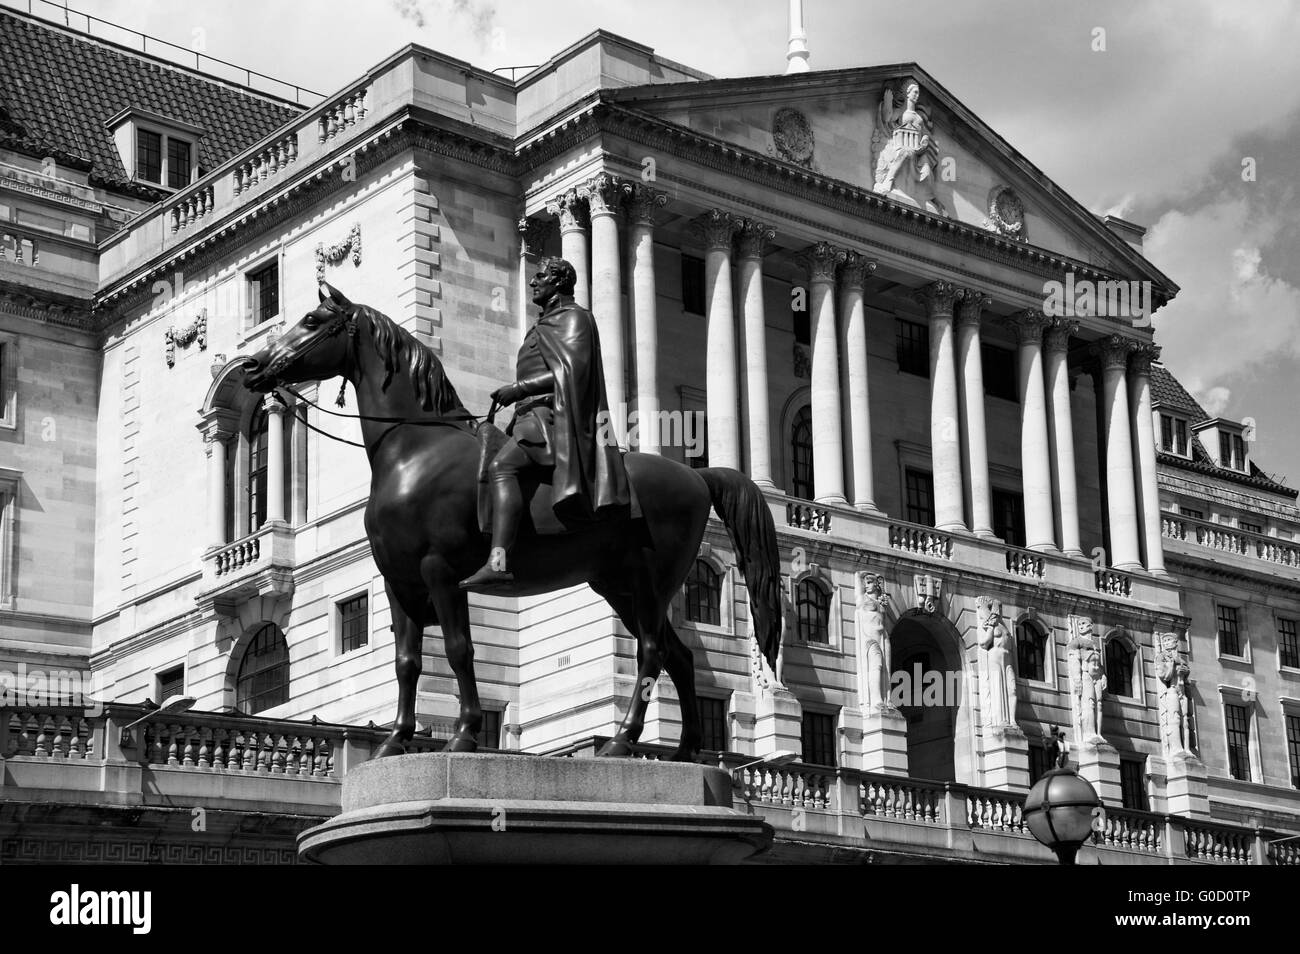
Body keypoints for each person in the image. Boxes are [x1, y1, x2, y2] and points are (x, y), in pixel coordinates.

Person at [459, 257, 629, 591]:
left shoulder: (575, 318)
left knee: (502, 468)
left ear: (560, 281)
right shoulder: (543, 325)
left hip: (552, 419)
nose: (534, 282)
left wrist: (517, 389)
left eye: (541, 276)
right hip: (528, 417)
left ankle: (499, 562)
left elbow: (573, 372)